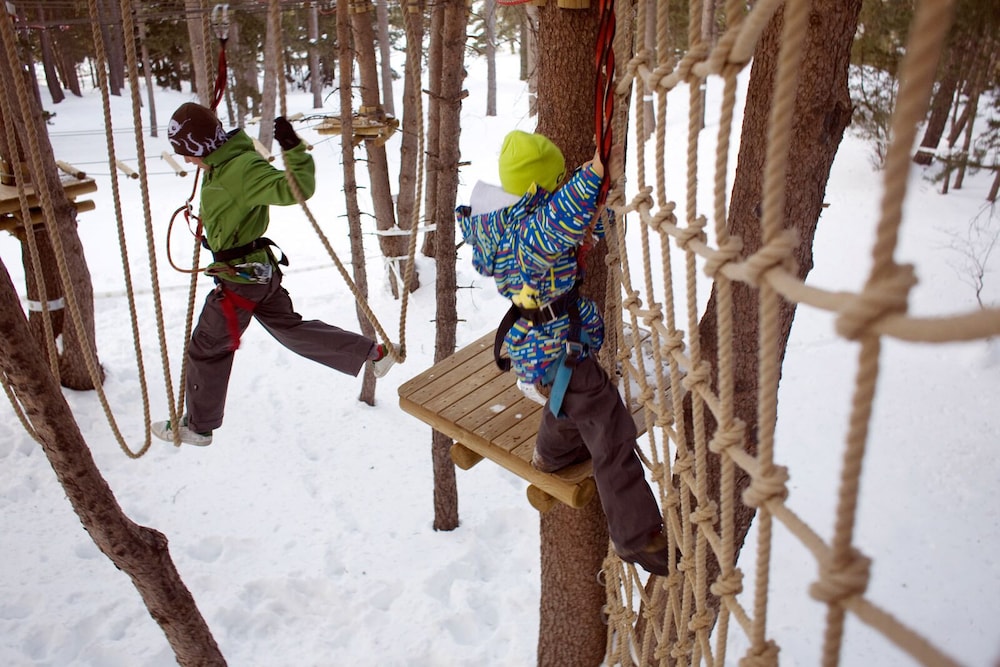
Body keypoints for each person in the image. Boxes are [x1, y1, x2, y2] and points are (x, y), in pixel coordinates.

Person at [455, 130, 670, 576]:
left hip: (548, 344)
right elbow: (558, 220)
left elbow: (567, 224)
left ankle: (552, 455)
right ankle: (636, 536)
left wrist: (599, 192)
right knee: (609, 425)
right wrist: (593, 174)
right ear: (538, 188)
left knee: (571, 403)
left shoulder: (509, 221)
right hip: (552, 345)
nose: (558, 191)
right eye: (554, 183)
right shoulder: (528, 235)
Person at [152, 102, 393, 447]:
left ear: (200, 145)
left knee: (207, 347)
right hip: (258, 274)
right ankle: (373, 354)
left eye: (187, 152)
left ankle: (199, 427)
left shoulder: (241, 168)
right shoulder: (218, 165)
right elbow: (231, 203)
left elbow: (297, 189)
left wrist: (293, 150)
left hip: (242, 281)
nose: (188, 161)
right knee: (291, 330)